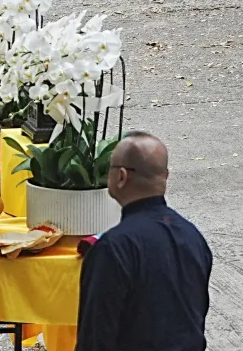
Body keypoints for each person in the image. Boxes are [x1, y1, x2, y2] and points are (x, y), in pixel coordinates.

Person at [76, 132, 212, 351]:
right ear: (165, 176)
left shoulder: (114, 248)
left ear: (121, 176)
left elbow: (94, 340)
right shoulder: (192, 236)